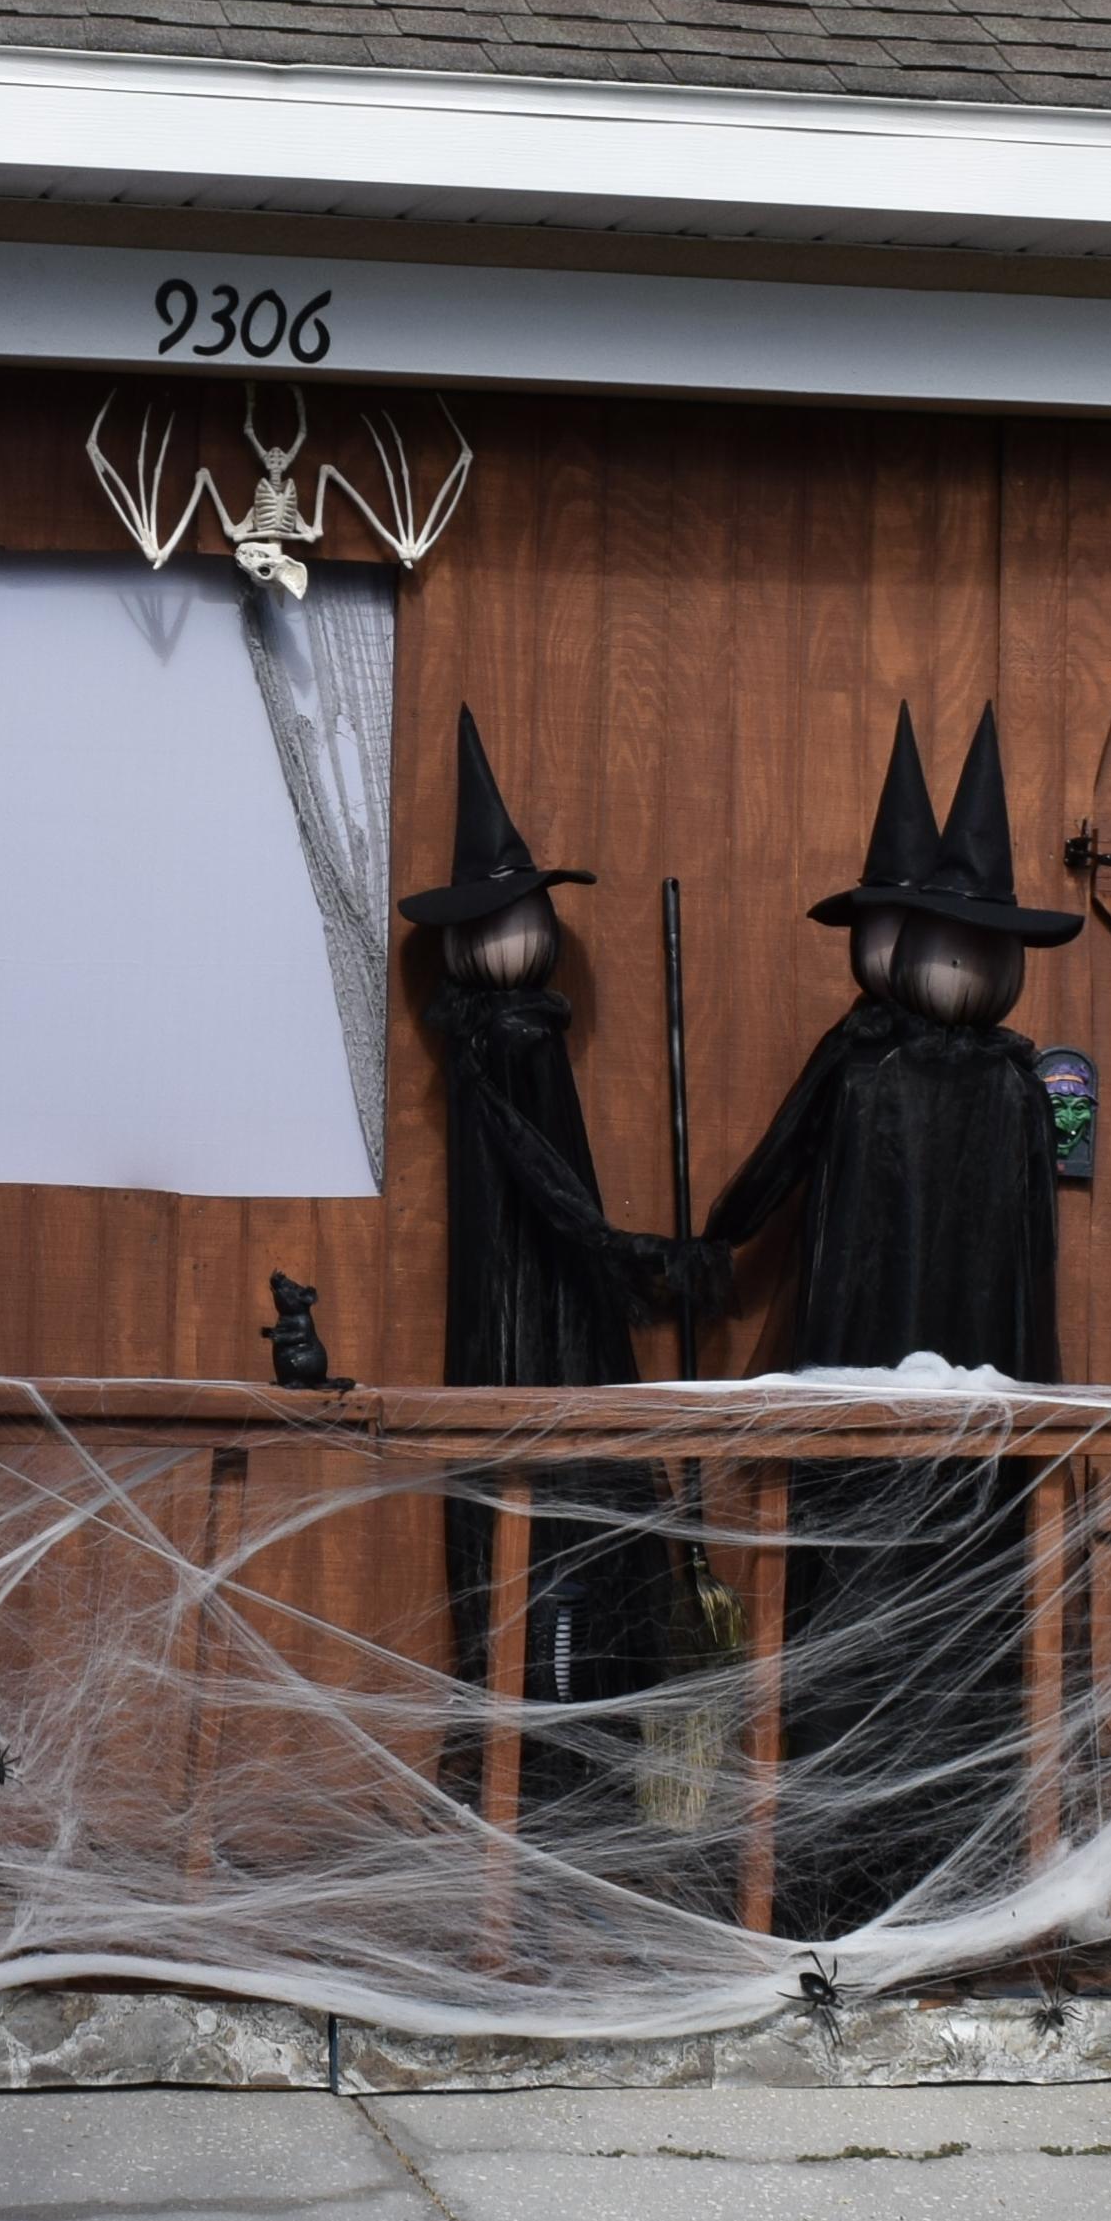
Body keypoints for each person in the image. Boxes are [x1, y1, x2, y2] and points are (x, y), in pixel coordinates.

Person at [700, 704, 1082, 1939]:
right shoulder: (982, 1082)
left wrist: (703, 1244)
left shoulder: (911, 1073)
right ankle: (911, 1853)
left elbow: (760, 1190)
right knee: (920, 1610)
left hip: (905, 1411)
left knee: (898, 1613)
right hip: (945, 1417)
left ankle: (890, 1858)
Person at [398, 711, 700, 1817]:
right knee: (544, 1527)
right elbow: (535, 1170)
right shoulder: (499, 1046)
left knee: (585, 1524)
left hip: (559, 1313)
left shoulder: (518, 1037)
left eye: (518, 918)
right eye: (492, 925)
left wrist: (618, 1257)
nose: (509, 941)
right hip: (527, 1319)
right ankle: (542, 1763)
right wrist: (622, 1249)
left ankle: (587, 1754)